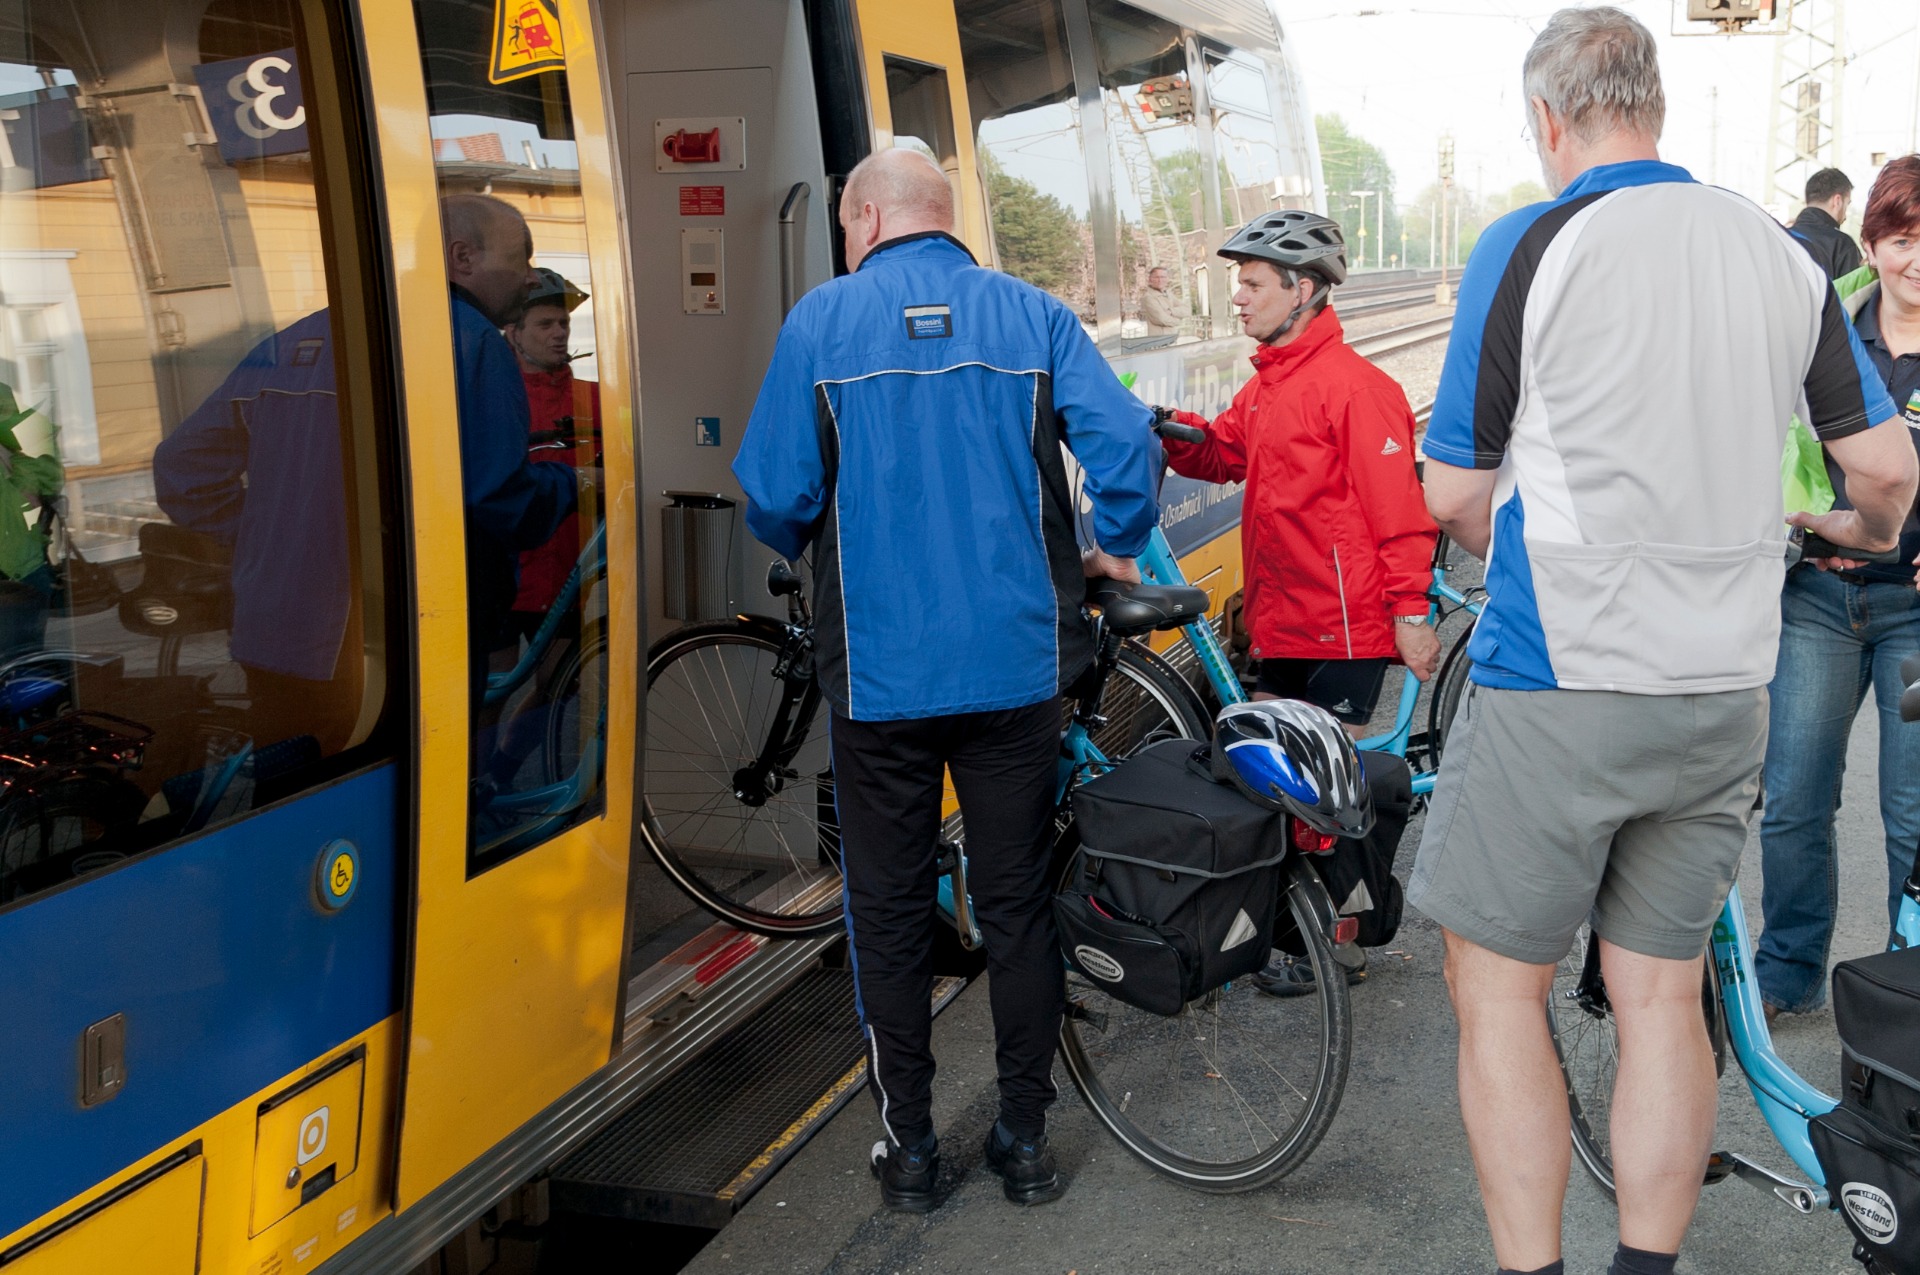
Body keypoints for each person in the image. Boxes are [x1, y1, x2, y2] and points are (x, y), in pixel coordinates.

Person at [1407, 11, 1918, 1275]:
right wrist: (1824, 525)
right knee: (1658, 994)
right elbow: (1887, 475)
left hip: (1559, 684)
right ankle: (1649, 1267)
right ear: (1657, 108)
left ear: (1548, 120)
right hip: (1723, 688)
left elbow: (1449, 492)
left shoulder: (1531, 239)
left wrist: (1510, 547)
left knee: (1499, 991)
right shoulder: (1778, 252)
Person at [733, 148, 1159, 1213]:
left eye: (847, 226)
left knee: (884, 910)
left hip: (878, 676)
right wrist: (1116, 538)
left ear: (867, 217)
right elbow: (1128, 449)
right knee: (1014, 902)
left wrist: (820, 532)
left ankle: (913, 1152)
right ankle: (1022, 1141)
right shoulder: (1034, 317)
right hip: (1016, 668)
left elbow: (777, 496)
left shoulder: (821, 325)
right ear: (943, 216)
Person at [1158, 210, 1438, 996]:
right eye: (1237, 285)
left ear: (1303, 289)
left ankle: (1340, 942)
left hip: (1342, 631)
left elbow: (1398, 512)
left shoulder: (1359, 390)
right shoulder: (1269, 386)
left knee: (1326, 798)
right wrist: (1159, 427)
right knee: (1278, 788)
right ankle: (1296, 932)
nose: (1238, 299)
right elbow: (1221, 453)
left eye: (1251, 284)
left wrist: (1412, 614)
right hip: (1281, 619)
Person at [1757, 154, 1920, 1021]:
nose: (1915, 261)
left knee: (1913, 813)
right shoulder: (1824, 333)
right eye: (1901, 240)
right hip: (1819, 595)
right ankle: (1786, 975)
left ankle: (1908, 982)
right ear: (1872, 242)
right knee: (1793, 799)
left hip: (1916, 615)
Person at [439, 194, 580, 713]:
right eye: (520, 257)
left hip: (299, 616)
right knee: (483, 708)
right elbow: (499, 496)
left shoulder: (338, 330)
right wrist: (582, 486)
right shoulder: (477, 343)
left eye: (562, 323)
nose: (528, 276)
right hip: (483, 588)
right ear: (463, 257)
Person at [503, 267, 600, 636]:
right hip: (507, 580)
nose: (559, 333)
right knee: (493, 688)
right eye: (545, 325)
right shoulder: (496, 399)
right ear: (514, 333)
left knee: (560, 690)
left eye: (564, 323)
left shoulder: (595, 401)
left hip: (568, 579)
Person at [1790, 166, 1862, 281]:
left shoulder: (1782, 236)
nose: (1845, 217)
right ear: (1837, 201)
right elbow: (1852, 297)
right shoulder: (1842, 245)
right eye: (1847, 204)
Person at [1140, 265, 1181, 335]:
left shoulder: (1169, 294)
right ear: (1150, 279)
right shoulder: (1148, 297)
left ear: (1167, 279)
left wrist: (1171, 311)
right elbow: (1162, 319)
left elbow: (1187, 309)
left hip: (1170, 337)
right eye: (1156, 277)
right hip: (1158, 341)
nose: (1160, 280)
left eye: (1163, 277)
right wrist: (1178, 321)